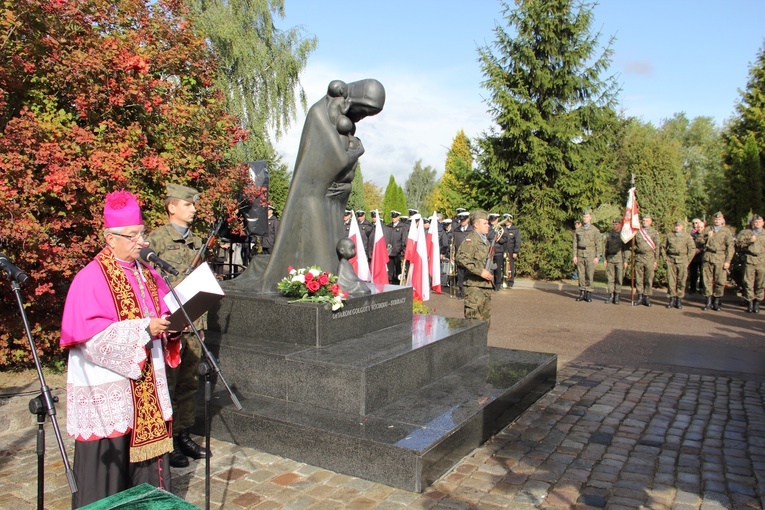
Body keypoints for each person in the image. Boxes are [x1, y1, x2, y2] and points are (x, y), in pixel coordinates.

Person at [60, 190, 180, 508]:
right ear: (110, 239)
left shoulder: (149, 275)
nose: (141, 242)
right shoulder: (89, 279)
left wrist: (172, 326)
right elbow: (90, 341)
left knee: (146, 479)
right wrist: (144, 329)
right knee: (107, 482)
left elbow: (167, 314)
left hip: (146, 392)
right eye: (132, 236)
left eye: (141, 233)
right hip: (108, 394)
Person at [146, 183, 207, 468]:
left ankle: (183, 434)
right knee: (167, 385)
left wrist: (202, 322)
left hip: (192, 322)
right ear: (172, 207)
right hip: (168, 324)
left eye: (193, 205)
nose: (193, 209)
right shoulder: (155, 240)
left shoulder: (197, 241)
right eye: (187, 204)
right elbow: (147, 284)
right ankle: (167, 441)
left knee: (189, 382)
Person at [456, 210, 494, 324]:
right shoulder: (471, 239)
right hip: (474, 287)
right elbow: (461, 258)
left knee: (485, 322)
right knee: (473, 322)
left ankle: (481, 343)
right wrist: (480, 272)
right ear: (476, 225)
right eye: (485, 223)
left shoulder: (486, 241)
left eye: (488, 223)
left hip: (484, 286)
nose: (488, 226)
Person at [701, 211, 735, 311]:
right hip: (708, 256)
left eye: (719, 219)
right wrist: (707, 237)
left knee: (720, 281)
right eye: (715, 219)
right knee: (707, 280)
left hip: (720, 257)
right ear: (713, 220)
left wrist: (728, 261)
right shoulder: (707, 229)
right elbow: (699, 240)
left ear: (722, 220)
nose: (717, 221)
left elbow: (730, 247)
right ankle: (708, 301)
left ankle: (716, 301)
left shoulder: (726, 231)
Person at [661, 220, 695, 309]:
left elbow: (692, 249)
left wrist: (688, 261)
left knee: (681, 281)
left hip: (683, 260)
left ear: (682, 227)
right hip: (671, 260)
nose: (677, 227)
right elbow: (663, 247)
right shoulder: (669, 235)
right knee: (671, 281)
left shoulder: (687, 236)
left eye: (679, 226)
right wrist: (665, 259)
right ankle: (671, 299)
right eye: (676, 225)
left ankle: (679, 300)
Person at [735, 214, 765, 313]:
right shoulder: (746, 233)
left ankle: (757, 302)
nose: (757, 224)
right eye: (755, 222)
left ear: (763, 223)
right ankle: (750, 303)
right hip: (749, 260)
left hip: (762, 261)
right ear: (752, 223)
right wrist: (749, 241)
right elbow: (738, 244)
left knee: (760, 283)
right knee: (748, 282)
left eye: (759, 222)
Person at [572, 210, 602, 302]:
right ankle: (581, 292)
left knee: (589, 274)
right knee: (581, 274)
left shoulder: (595, 230)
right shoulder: (578, 230)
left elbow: (599, 244)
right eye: (584, 217)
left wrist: (597, 257)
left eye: (587, 217)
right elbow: (575, 244)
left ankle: (588, 293)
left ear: (590, 218)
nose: (585, 218)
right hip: (580, 254)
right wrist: (574, 255)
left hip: (590, 255)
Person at [633, 214, 660, 307]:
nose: (645, 222)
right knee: (638, 278)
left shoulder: (654, 233)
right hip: (639, 258)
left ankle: (646, 297)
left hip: (649, 258)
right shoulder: (637, 232)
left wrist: (656, 260)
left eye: (647, 220)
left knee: (648, 278)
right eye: (643, 220)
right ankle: (639, 296)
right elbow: (632, 245)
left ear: (650, 222)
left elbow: (657, 247)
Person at [604, 217, 629, 304]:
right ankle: (611, 295)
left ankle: (617, 296)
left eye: (616, 224)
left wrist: (625, 260)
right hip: (610, 259)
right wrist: (605, 259)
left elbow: (626, 249)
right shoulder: (609, 235)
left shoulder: (623, 236)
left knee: (619, 278)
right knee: (610, 278)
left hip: (619, 259)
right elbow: (606, 248)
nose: (615, 226)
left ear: (620, 225)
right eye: (613, 224)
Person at [452, 210, 473, 299]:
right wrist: (452, 255)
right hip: (459, 257)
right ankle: (461, 293)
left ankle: (469, 293)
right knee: (460, 276)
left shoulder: (472, 230)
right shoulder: (456, 231)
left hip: (470, 257)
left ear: (468, 220)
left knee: (469, 276)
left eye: (464, 220)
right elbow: (453, 244)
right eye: (461, 220)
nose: (462, 222)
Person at [488, 213, 508, 291]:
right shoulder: (488, 228)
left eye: (494, 219)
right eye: (491, 220)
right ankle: (490, 283)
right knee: (489, 268)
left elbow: (506, 238)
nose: (493, 221)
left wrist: (498, 239)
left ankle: (497, 284)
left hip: (498, 250)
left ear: (497, 219)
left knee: (497, 269)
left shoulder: (502, 228)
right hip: (489, 250)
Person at [388, 210, 408, 284]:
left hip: (398, 251)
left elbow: (404, 239)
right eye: (393, 217)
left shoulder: (402, 227)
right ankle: (390, 280)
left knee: (398, 268)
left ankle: (397, 280)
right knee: (390, 268)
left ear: (398, 217)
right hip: (390, 251)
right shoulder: (389, 226)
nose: (393, 219)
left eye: (395, 217)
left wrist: (401, 249)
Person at [504, 214, 522, 288]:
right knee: (502, 266)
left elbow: (517, 241)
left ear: (511, 221)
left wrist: (515, 251)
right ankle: (503, 280)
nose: (506, 222)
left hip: (510, 251)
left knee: (510, 266)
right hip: (502, 250)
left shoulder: (515, 230)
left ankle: (510, 281)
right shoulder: (502, 228)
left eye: (507, 220)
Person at [688, 218, 705, 294]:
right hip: (694, 257)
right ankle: (692, 288)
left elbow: (706, 245)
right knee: (693, 273)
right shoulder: (692, 235)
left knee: (703, 273)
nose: (698, 228)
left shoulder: (706, 235)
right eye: (698, 227)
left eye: (701, 227)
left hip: (703, 256)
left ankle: (701, 287)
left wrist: (700, 250)